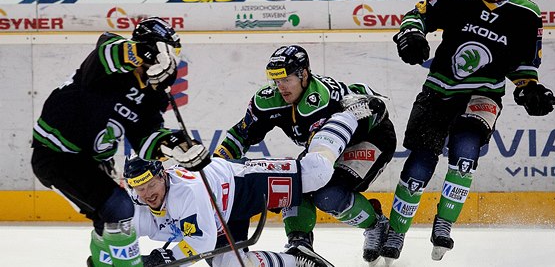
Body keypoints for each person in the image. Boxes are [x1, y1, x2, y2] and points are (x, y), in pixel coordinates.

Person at [382, 0, 555, 264]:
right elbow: (416, 16)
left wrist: (529, 90)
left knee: (464, 159)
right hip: (438, 91)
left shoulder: (526, 14)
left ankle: (444, 223)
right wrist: (412, 35)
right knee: (419, 165)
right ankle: (396, 231)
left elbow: (523, 68)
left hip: (483, 95)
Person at [31, 17, 209, 267]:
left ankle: (102, 264)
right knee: (120, 208)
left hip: (90, 164)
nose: (170, 61)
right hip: (56, 153)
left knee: (112, 219)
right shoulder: (109, 58)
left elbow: (146, 141)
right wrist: (146, 53)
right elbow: (110, 51)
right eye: (165, 53)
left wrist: (176, 145)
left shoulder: (150, 97)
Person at [124, 94, 374, 267]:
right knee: (233, 265)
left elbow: (201, 241)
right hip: (218, 218)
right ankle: (296, 260)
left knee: (315, 172)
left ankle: (346, 115)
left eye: (151, 185)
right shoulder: (138, 203)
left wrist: (162, 257)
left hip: (241, 184)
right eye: (140, 188)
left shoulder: (186, 192)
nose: (147, 194)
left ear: (162, 174)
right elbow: (117, 231)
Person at [213, 45, 397, 264]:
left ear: (304, 75)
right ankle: (299, 243)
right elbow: (240, 135)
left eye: (286, 79)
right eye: (276, 80)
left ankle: (377, 224)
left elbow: (366, 96)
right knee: (292, 184)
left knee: (328, 195)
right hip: (326, 147)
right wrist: (214, 167)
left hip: (369, 138)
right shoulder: (268, 100)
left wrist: (371, 102)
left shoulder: (322, 98)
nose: (281, 87)